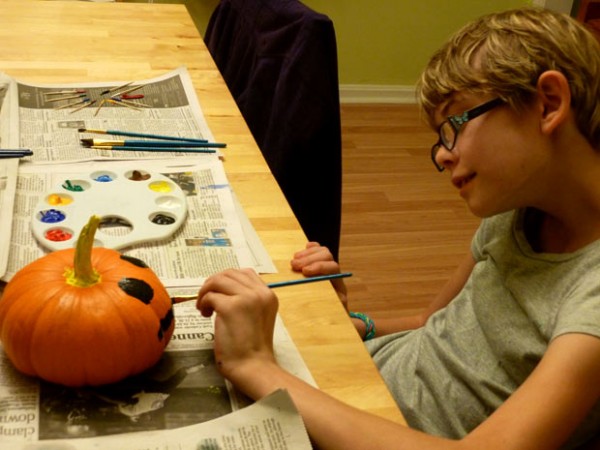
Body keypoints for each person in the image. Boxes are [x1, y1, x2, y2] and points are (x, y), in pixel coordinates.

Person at [196, 7, 600, 449]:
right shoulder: (521, 205)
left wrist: (259, 369)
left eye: (455, 125)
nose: (444, 155)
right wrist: (352, 324)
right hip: (361, 388)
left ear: (548, 104)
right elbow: (429, 322)